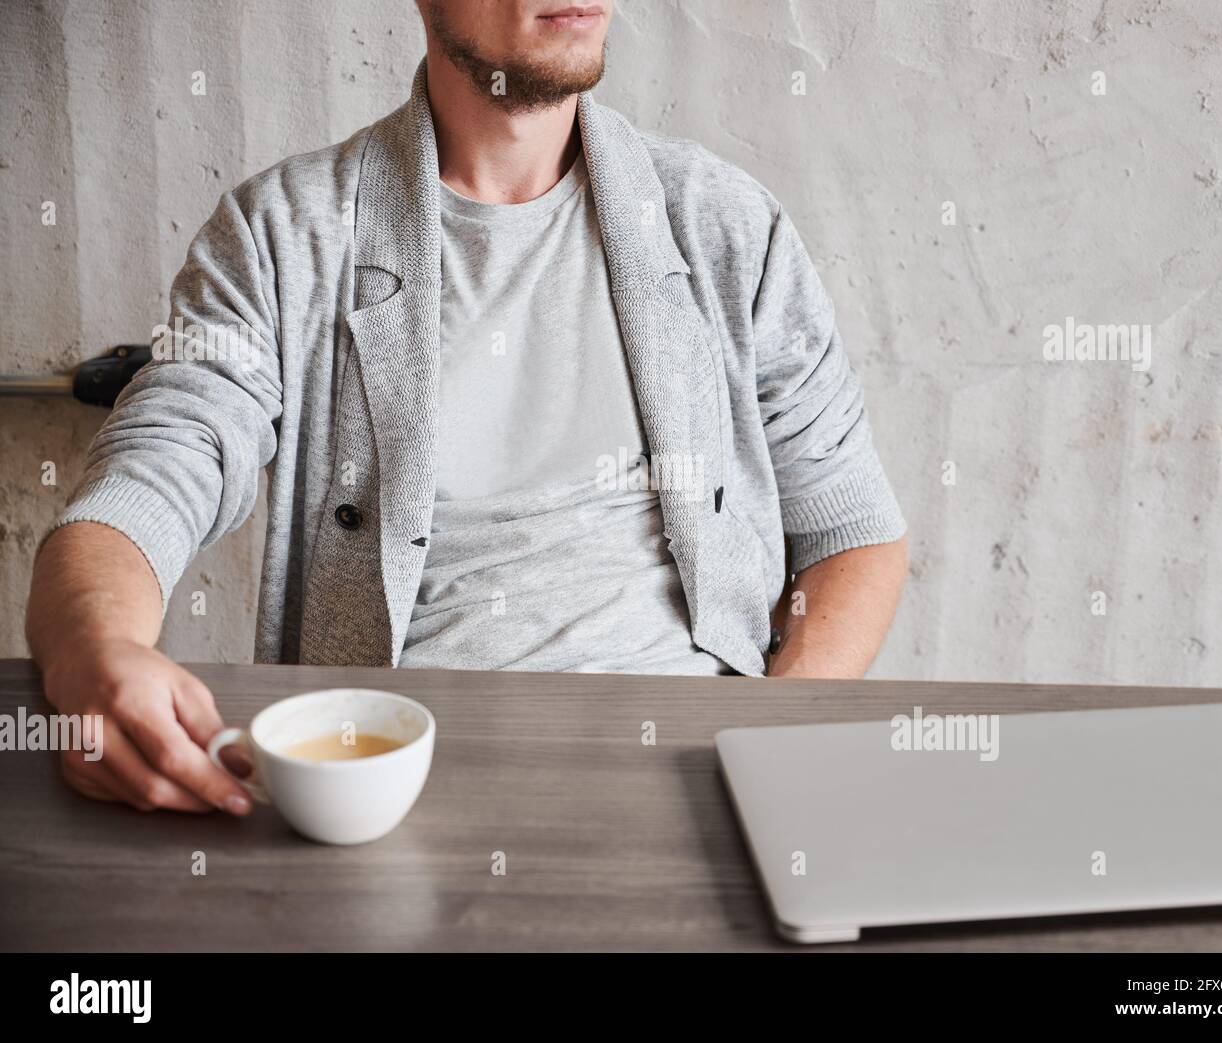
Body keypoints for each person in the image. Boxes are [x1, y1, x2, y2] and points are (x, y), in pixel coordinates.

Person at [25, 0, 908, 815]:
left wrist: (769, 749)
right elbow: (157, 465)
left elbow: (854, 530)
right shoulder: (281, 236)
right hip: (395, 787)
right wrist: (89, 651)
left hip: (695, 776)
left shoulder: (724, 224)